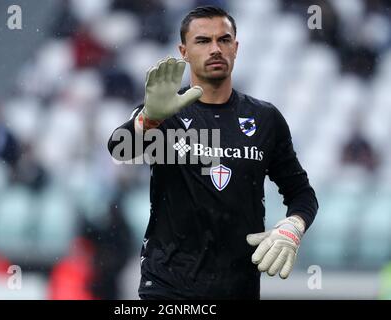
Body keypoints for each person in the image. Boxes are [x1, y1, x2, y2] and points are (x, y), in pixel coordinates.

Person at [108, 6, 318, 300]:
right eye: (203, 41)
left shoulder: (265, 119)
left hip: (238, 287)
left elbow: (302, 194)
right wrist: (148, 120)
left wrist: (293, 227)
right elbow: (120, 150)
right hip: (168, 287)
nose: (215, 49)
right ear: (184, 50)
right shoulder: (167, 111)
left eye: (224, 40)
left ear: (236, 47)